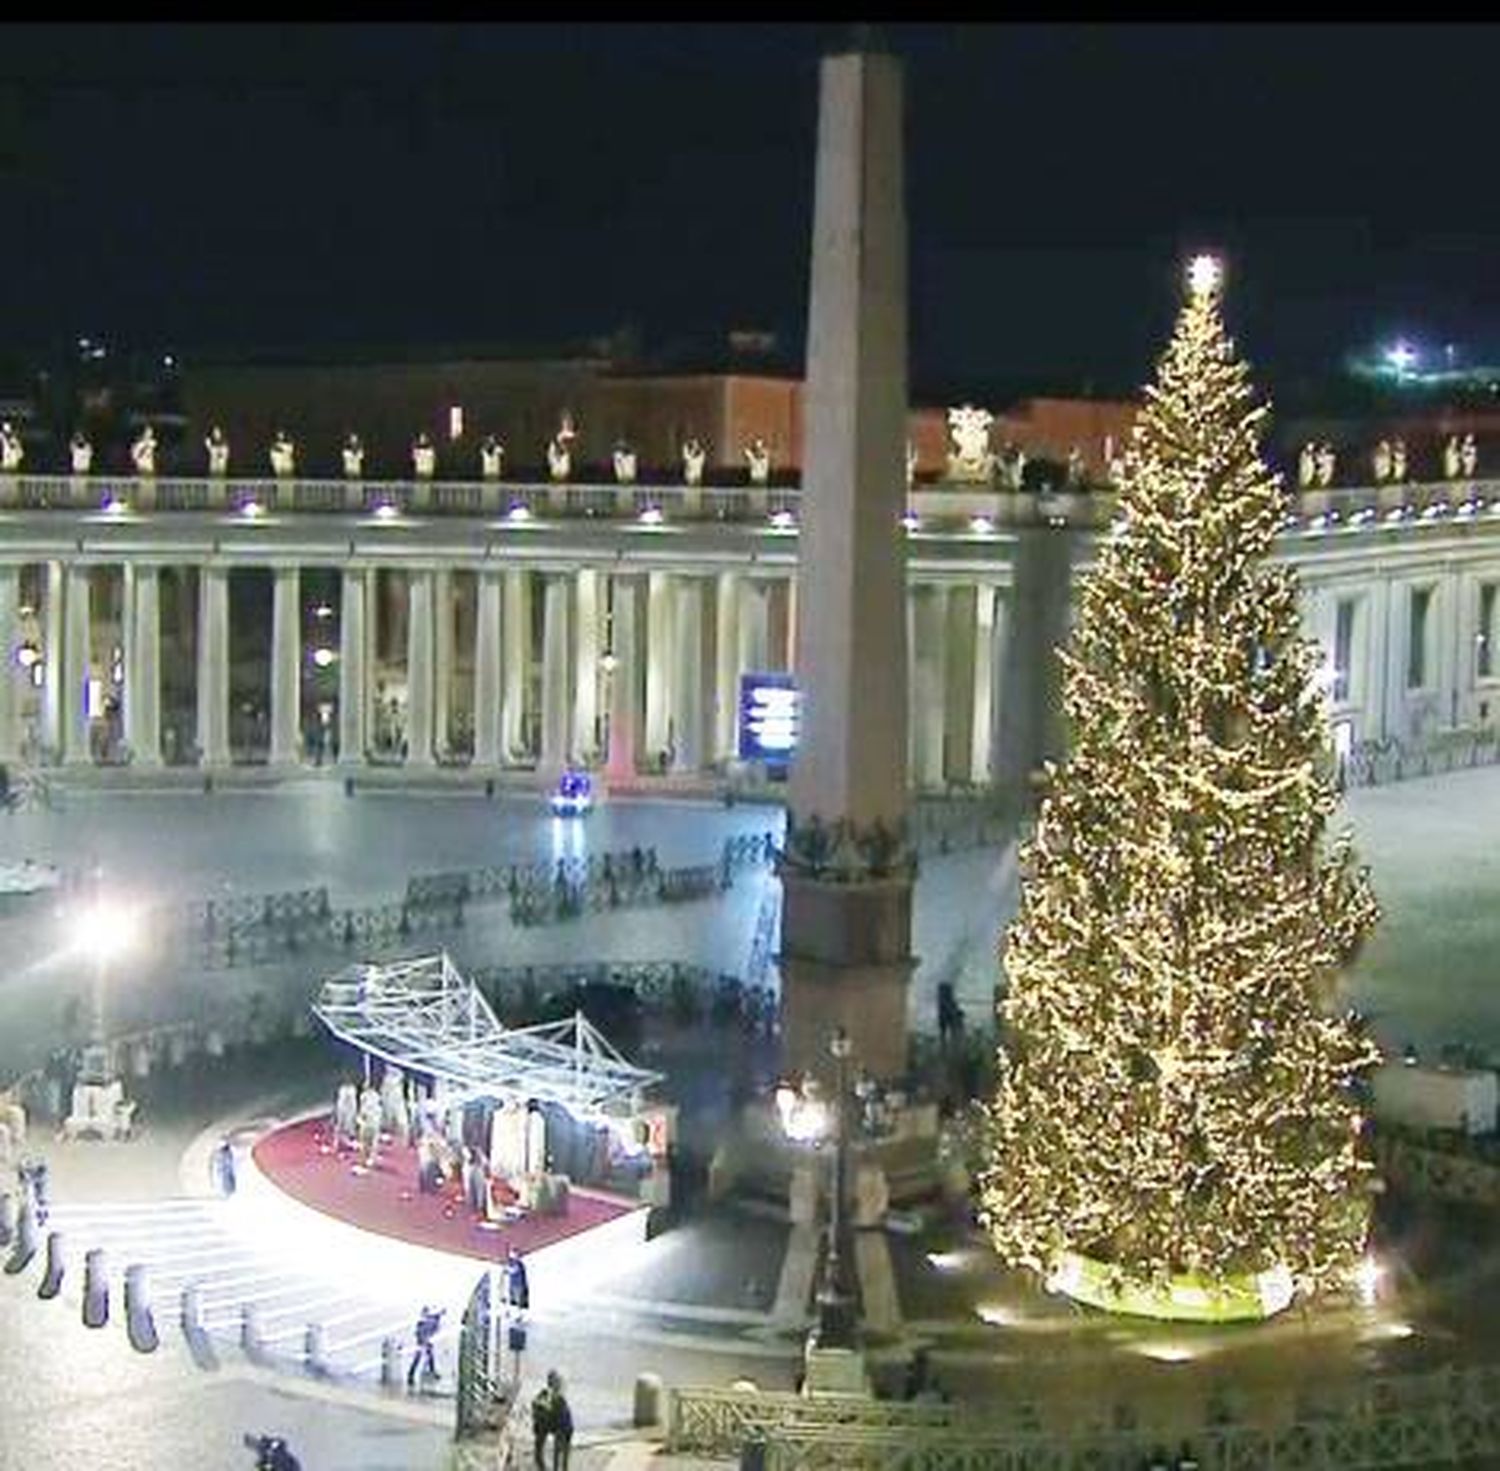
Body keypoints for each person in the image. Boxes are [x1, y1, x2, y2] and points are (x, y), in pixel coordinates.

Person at [406, 1304, 443, 1390]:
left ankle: (429, 1372)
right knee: (420, 1357)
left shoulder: (431, 1321)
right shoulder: (432, 1321)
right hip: (423, 1340)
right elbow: (423, 1331)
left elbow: (425, 1331)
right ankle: (412, 1375)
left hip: (424, 1340)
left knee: (427, 1356)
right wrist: (425, 1340)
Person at [549, 1371, 573, 1471]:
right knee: (561, 1455)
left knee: (559, 1454)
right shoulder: (558, 1396)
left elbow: (557, 1415)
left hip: (563, 1429)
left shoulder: (557, 1398)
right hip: (566, 1428)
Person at [505, 1246, 530, 1311]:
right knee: (514, 1299)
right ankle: (516, 1310)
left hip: (518, 1285)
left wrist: (506, 1268)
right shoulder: (515, 1263)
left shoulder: (518, 1264)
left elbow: (512, 1270)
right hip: (515, 1284)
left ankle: (518, 1311)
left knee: (518, 1300)